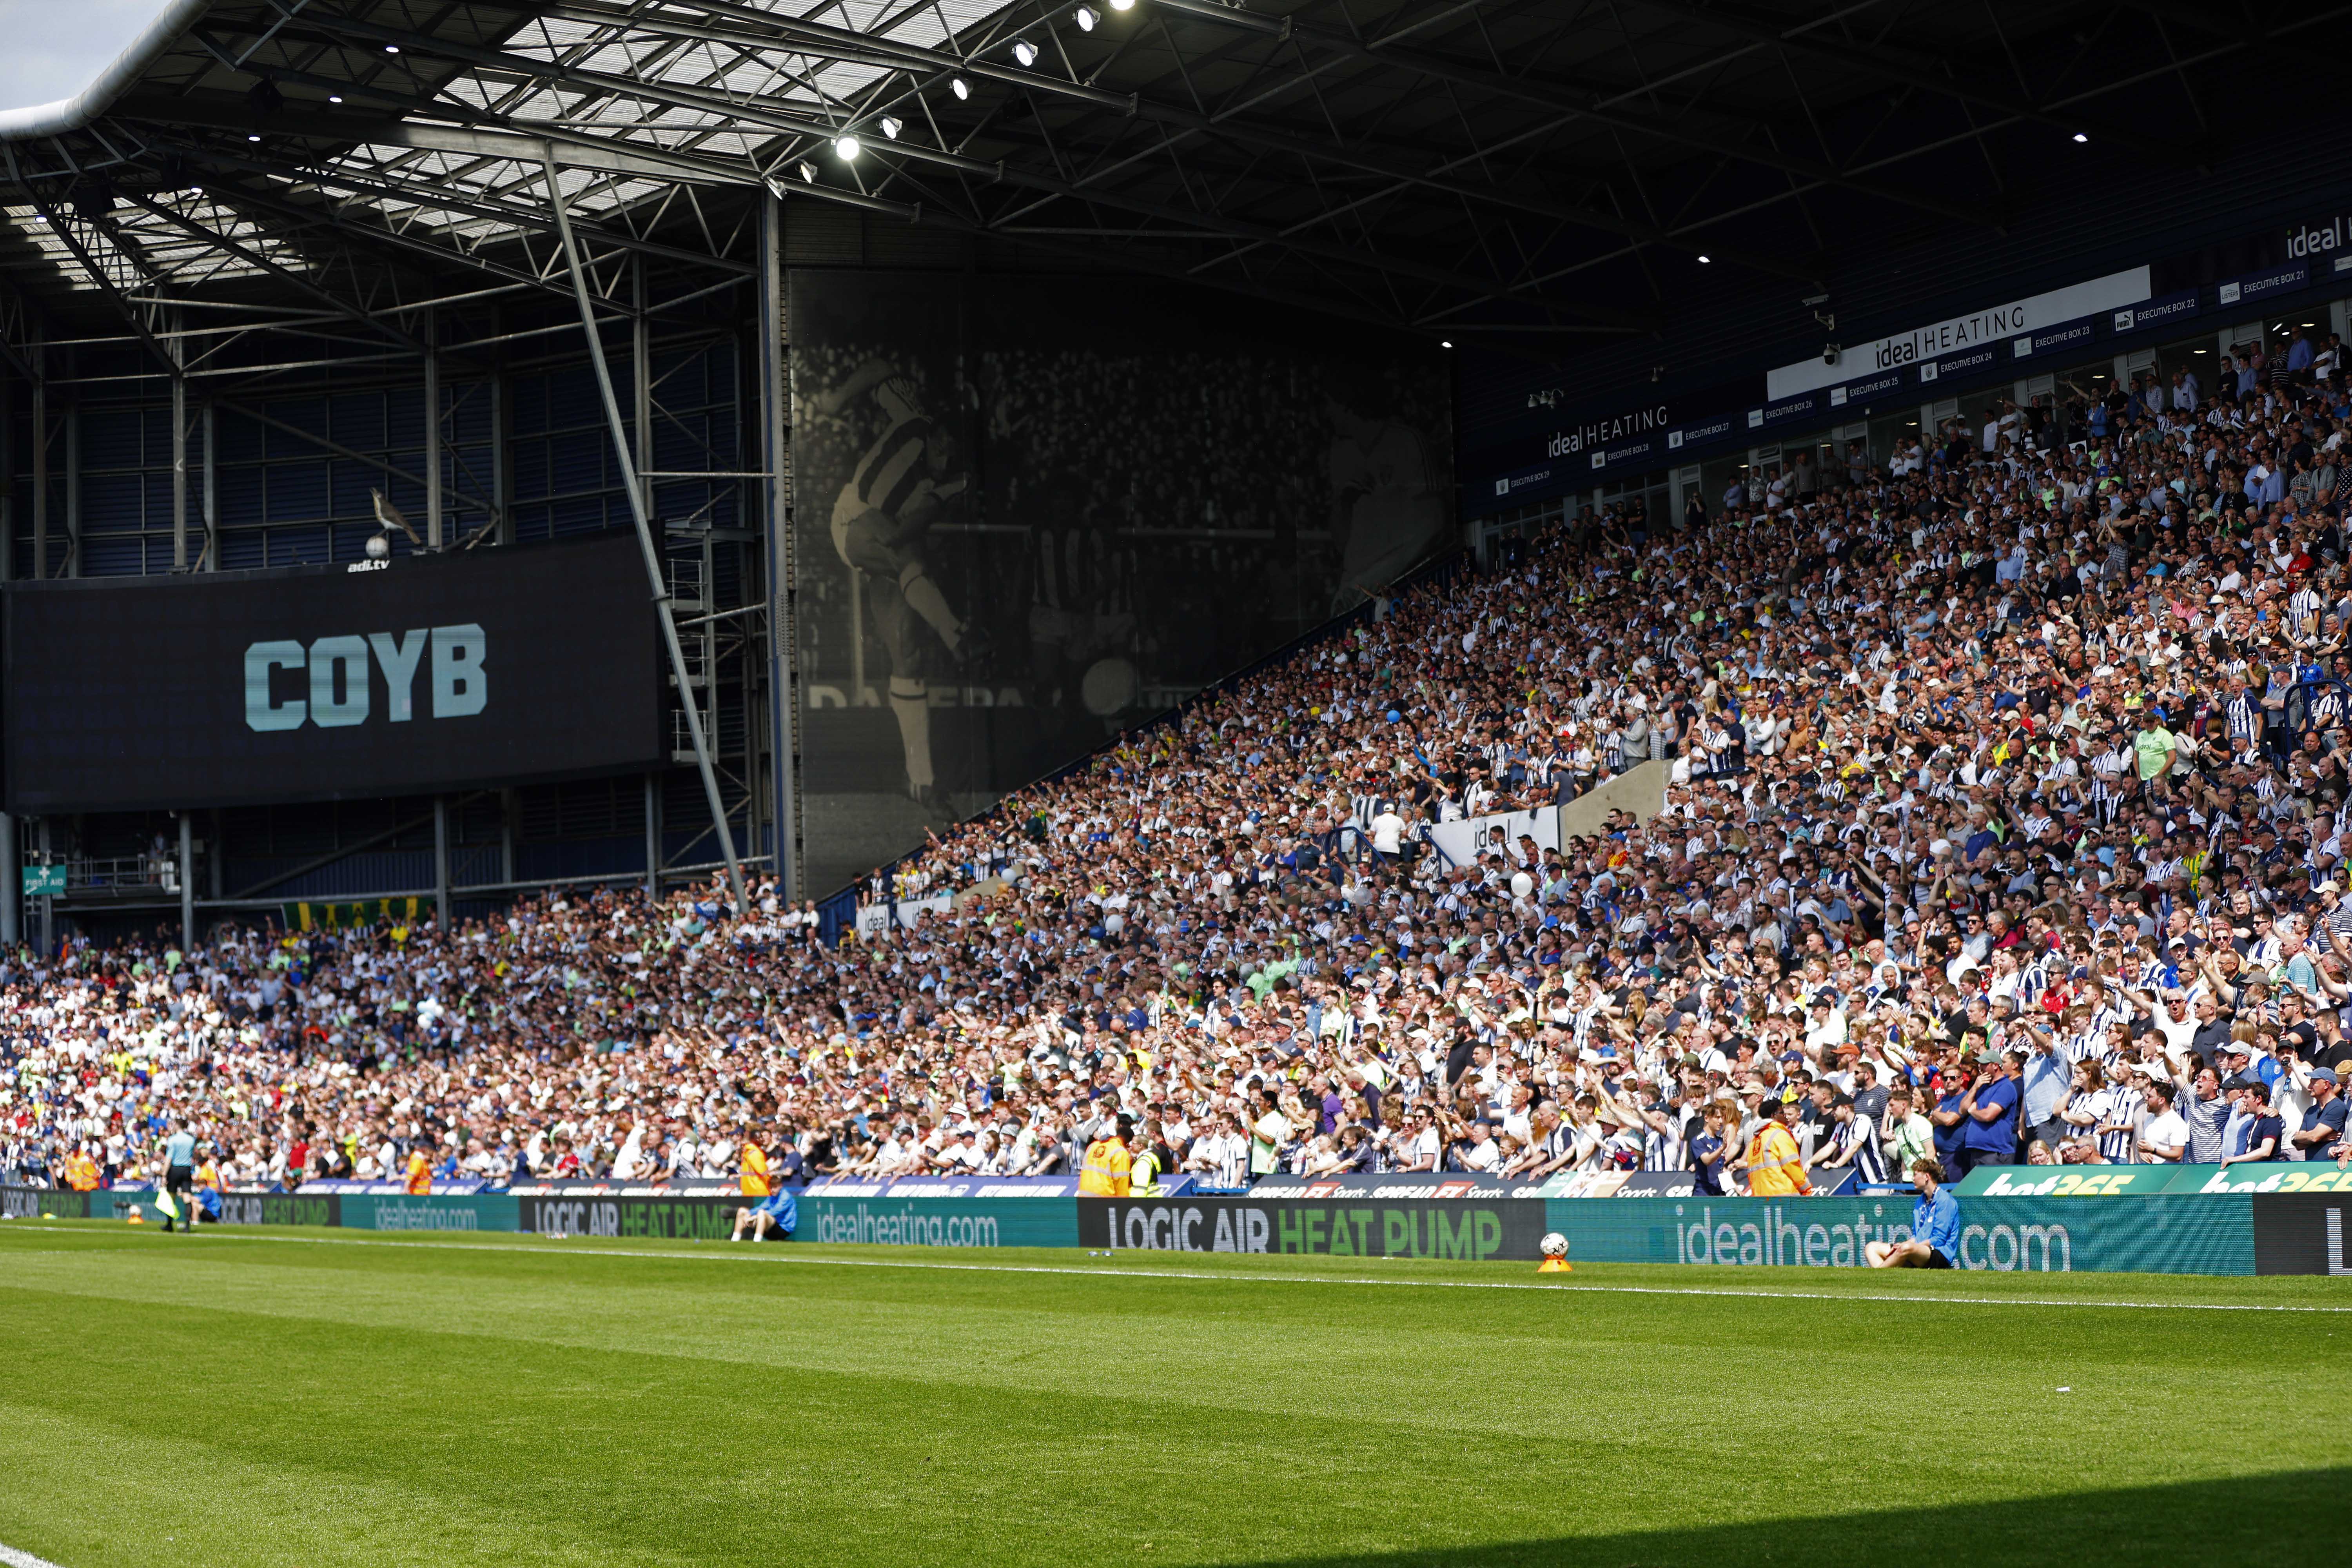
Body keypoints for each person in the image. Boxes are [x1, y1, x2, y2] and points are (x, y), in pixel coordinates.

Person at [1867, 1157, 1958, 1268]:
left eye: (1915, 1174)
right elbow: (1916, 1234)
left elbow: (1939, 1239)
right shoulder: (1920, 1201)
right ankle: (1887, 1275)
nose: (1912, 1178)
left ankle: (1878, 1274)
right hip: (1916, 1249)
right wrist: (1907, 1244)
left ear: (1926, 1177)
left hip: (1939, 1253)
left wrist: (1910, 1246)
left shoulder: (1945, 1200)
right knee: (1871, 1247)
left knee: (1906, 1248)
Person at [1742, 1098, 1813, 1198]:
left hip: (1760, 1197)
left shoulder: (1756, 1140)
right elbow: (1791, 1165)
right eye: (1782, 1113)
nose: (1786, 1117)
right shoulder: (1780, 1135)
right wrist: (1806, 1188)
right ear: (1773, 1116)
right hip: (1783, 1197)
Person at [1077, 1116, 1132, 1196]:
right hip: (1103, 1199)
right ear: (1127, 1144)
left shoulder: (1093, 1146)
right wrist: (1122, 1204)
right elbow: (1121, 1181)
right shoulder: (1121, 1152)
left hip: (1083, 1196)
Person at [160, 1121, 198, 1235]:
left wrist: (164, 1175)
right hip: (186, 1169)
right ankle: (187, 1225)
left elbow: (169, 1158)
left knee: (171, 1197)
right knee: (187, 1197)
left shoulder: (173, 1139)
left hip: (175, 1169)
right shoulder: (191, 1140)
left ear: (177, 1126)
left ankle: (170, 1224)